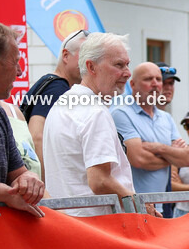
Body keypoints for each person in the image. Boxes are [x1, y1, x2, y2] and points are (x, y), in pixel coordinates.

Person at [44, 33, 155, 216]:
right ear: (91, 66)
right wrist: (140, 204)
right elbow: (99, 181)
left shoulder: (62, 104)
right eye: (119, 65)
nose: (127, 72)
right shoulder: (95, 111)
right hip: (96, 228)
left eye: (127, 64)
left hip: (65, 224)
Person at [0, 20, 44, 216]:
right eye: (16, 61)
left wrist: (29, 179)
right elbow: (9, 190)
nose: (19, 71)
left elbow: (19, 173)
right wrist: (5, 193)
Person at [111, 62, 189, 215]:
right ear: (133, 85)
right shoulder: (121, 114)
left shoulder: (166, 118)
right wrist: (172, 155)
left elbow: (187, 160)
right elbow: (139, 159)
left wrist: (157, 148)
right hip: (133, 209)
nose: (155, 84)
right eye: (148, 79)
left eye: (158, 79)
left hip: (161, 208)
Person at [22, 28, 87, 172]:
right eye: (84, 56)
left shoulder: (52, 84)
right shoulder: (57, 88)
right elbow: (37, 136)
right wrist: (46, 185)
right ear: (65, 55)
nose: (88, 63)